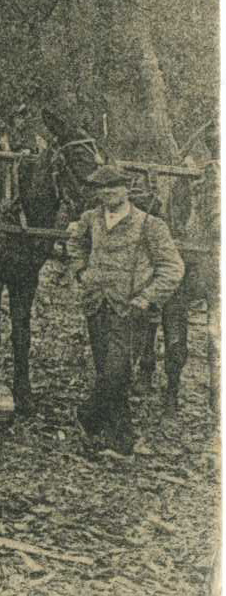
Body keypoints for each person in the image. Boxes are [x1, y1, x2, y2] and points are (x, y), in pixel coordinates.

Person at [71, 164, 184, 454]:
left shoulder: (150, 225)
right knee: (109, 373)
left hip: (131, 309)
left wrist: (147, 298)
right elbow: (75, 245)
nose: (108, 193)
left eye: (114, 187)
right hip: (96, 304)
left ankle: (90, 417)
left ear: (126, 189)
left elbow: (173, 268)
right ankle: (119, 440)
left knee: (116, 373)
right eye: (102, 188)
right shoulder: (90, 219)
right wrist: (82, 272)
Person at [144, 127, 219, 411]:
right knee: (173, 320)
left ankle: (216, 394)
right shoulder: (196, 175)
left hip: (212, 254)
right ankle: (170, 386)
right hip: (188, 249)